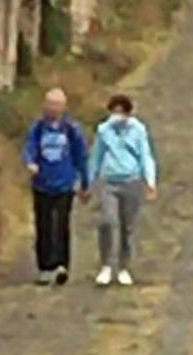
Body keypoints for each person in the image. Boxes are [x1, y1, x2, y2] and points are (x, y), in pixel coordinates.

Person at [22, 86, 90, 286]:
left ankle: (61, 265)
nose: (53, 108)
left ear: (64, 107)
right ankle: (45, 267)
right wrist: (30, 162)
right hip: (42, 184)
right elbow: (29, 147)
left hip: (64, 184)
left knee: (61, 225)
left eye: (57, 105)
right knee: (43, 226)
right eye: (50, 104)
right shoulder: (37, 128)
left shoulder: (71, 129)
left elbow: (81, 156)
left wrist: (85, 183)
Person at [88, 92, 158, 287]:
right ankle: (105, 266)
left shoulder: (138, 130)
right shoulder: (104, 130)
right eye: (114, 112)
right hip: (109, 181)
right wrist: (88, 181)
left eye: (121, 112)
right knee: (107, 222)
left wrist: (150, 182)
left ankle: (124, 267)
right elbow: (96, 157)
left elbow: (145, 156)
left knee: (128, 226)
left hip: (132, 182)